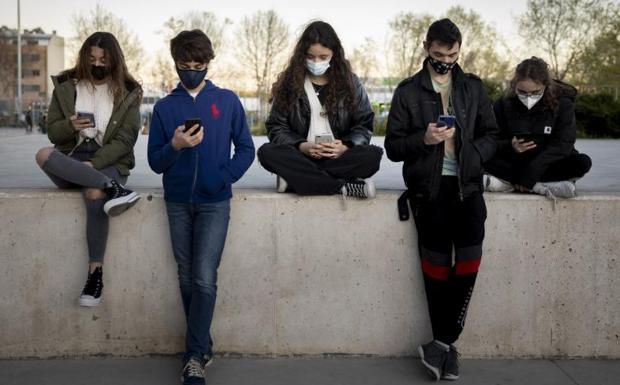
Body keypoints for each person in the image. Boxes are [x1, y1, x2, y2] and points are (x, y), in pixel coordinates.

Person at [385, 18, 498, 381]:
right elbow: (392, 148)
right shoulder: (407, 92)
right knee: (435, 270)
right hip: (428, 193)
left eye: (452, 54)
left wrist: (474, 155)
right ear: (426, 49)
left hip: (468, 188)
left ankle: (443, 342)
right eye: (438, 54)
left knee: (468, 264)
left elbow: (491, 135)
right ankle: (445, 349)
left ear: (459, 51)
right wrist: (425, 139)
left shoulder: (473, 88)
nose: (445, 60)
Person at [147, 29, 255, 385]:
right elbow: (155, 162)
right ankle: (202, 343)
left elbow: (246, 148)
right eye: (185, 65)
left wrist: (225, 176)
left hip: (214, 203)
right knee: (186, 277)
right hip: (177, 202)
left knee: (204, 278)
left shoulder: (226, 101)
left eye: (198, 64)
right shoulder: (164, 108)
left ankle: (192, 356)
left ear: (208, 63)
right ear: (175, 63)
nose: (192, 70)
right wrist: (175, 145)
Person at [34, 31, 142, 307]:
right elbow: (53, 135)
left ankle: (95, 275)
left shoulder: (129, 90)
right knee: (43, 154)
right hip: (71, 157)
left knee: (94, 193)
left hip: (108, 161)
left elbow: (126, 139)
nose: (97, 64)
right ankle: (115, 189)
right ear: (84, 57)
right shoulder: (67, 85)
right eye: (92, 58)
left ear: (113, 60)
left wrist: (94, 165)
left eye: (104, 60)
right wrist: (70, 126)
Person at [257, 20, 383, 198]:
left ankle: (297, 180)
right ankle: (340, 186)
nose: (316, 62)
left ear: (334, 54)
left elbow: (364, 124)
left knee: (373, 155)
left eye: (323, 57)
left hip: (337, 157)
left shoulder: (351, 83)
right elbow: (276, 127)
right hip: (302, 155)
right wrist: (301, 146)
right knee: (267, 152)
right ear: (302, 55)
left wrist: (346, 146)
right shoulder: (290, 83)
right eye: (310, 57)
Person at [484, 57, 592, 199]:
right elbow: (490, 139)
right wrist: (510, 145)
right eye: (522, 92)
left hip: (547, 162)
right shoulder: (503, 103)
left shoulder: (563, 104)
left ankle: (510, 184)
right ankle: (541, 186)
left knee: (582, 162)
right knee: (477, 156)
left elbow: (563, 144)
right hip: (515, 159)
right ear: (514, 85)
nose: (528, 97)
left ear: (545, 85)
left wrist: (531, 175)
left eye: (535, 92)